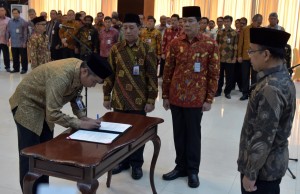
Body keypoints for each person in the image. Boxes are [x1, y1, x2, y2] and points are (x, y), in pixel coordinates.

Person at [10, 53, 112, 194]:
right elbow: (53, 114)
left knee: (45, 154)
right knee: (31, 155)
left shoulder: (79, 69)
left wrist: (83, 117)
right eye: (94, 81)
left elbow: (76, 96)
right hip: (27, 104)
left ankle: (41, 190)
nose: (93, 86)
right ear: (85, 71)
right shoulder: (61, 76)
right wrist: (80, 124)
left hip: (45, 106)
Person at [162, 6, 219, 188]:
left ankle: (193, 170)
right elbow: (168, 70)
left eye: (190, 21)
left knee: (193, 135)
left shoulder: (210, 44)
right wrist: (164, 95)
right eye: (184, 21)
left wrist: (209, 98)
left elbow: (214, 73)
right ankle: (180, 167)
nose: (186, 24)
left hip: (196, 98)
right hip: (176, 97)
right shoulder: (175, 43)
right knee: (179, 134)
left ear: (200, 23)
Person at [237, 27, 295, 194]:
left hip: (262, 172)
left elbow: (263, 136)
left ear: (266, 54)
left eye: (252, 51)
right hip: (271, 164)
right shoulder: (282, 77)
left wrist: (250, 173)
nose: (249, 55)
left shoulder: (271, 87)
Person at [103, 13, 158, 180]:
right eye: (125, 28)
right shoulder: (116, 49)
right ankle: (122, 161)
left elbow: (152, 76)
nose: (127, 31)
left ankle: (136, 164)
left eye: (131, 28)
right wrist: (106, 96)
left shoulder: (147, 49)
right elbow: (109, 74)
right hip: (119, 100)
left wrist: (151, 100)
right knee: (120, 134)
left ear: (139, 29)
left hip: (139, 101)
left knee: (137, 134)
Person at [238, 14, 263, 100]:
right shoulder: (245, 29)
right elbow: (240, 43)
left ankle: (253, 93)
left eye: (260, 22)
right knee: (244, 76)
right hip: (245, 57)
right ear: (253, 20)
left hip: (257, 57)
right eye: (258, 22)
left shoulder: (262, 30)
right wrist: (239, 55)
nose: (259, 24)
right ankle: (245, 93)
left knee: (255, 76)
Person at [215, 15, 238, 99]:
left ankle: (227, 92)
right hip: (220, 58)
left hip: (230, 58)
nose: (226, 23)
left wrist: (234, 57)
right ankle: (218, 91)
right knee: (219, 76)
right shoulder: (220, 32)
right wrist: (216, 56)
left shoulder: (234, 33)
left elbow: (235, 45)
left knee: (229, 76)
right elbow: (216, 45)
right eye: (225, 21)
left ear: (231, 22)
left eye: (228, 21)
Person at [7, 8, 28, 74]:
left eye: (16, 13)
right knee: (15, 56)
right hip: (14, 42)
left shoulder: (23, 21)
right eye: (13, 13)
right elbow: (8, 31)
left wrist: (25, 42)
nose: (15, 14)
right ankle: (16, 68)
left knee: (23, 57)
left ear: (19, 13)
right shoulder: (10, 22)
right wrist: (7, 40)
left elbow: (25, 33)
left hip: (21, 43)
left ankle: (24, 69)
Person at [0, 6, 11, 72]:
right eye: (0, 10)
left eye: (2, 10)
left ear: (5, 11)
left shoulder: (9, 20)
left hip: (5, 40)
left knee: (6, 54)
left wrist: (9, 40)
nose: (1, 12)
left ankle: (7, 67)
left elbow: (10, 30)